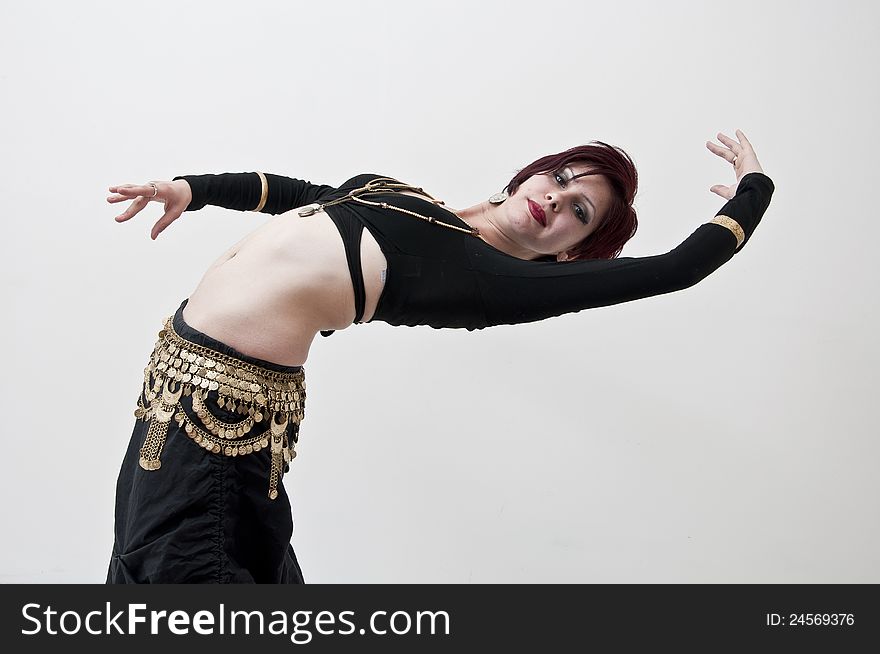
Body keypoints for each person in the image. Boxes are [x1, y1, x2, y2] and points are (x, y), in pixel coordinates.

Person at [105, 130, 774, 583]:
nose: (555, 198)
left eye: (579, 211)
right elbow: (296, 195)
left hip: (215, 433)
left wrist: (753, 191)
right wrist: (192, 189)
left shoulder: (490, 280)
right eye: (561, 177)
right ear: (530, 173)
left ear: (572, 253)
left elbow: (679, 268)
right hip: (170, 406)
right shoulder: (406, 196)